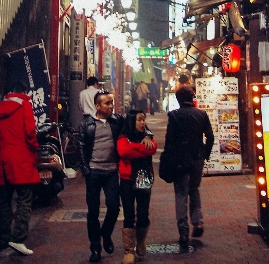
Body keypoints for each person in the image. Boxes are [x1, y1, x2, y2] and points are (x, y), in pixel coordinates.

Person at [163, 85, 214, 246]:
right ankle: (198, 222)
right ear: (192, 98)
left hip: (180, 159)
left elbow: (169, 141)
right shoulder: (201, 114)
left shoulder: (175, 116)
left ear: (178, 100)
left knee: (181, 193)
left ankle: (183, 231)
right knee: (194, 189)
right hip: (197, 158)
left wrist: (168, 159)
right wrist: (205, 153)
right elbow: (210, 137)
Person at [0, 81, 41, 256]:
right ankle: (18, 238)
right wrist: (34, 146)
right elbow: (30, 131)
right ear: (22, 91)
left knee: (4, 201)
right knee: (24, 199)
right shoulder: (25, 105)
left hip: (4, 160)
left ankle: (4, 240)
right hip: (21, 159)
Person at [78, 89, 124, 262]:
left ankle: (106, 233)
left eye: (112, 102)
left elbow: (136, 125)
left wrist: (148, 134)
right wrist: (85, 169)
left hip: (112, 171)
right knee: (93, 211)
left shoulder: (117, 121)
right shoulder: (87, 123)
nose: (111, 106)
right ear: (97, 106)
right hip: (94, 172)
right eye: (107, 103)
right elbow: (81, 146)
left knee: (114, 207)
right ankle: (95, 248)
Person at [117, 110, 157, 263]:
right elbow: (123, 151)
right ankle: (128, 250)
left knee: (143, 213)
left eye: (144, 120)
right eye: (139, 120)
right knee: (128, 214)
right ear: (132, 121)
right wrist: (141, 149)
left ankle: (140, 241)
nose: (142, 123)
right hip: (127, 179)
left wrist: (135, 148)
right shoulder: (123, 136)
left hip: (144, 179)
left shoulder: (148, 135)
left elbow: (152, 148)